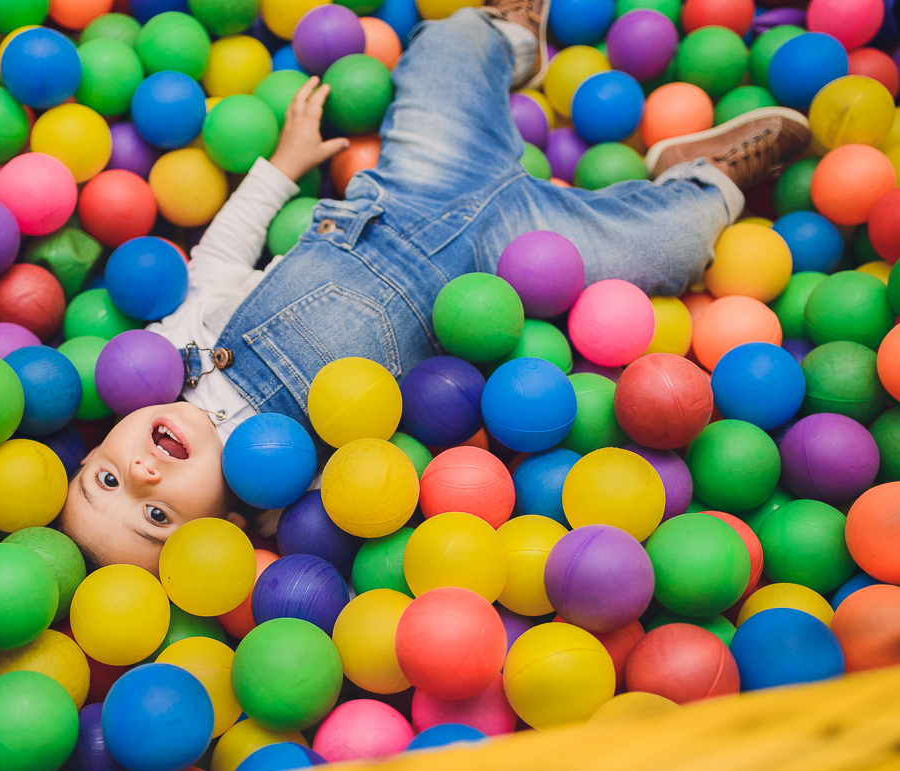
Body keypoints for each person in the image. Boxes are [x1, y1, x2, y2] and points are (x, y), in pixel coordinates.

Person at [59, 0, 811, 574]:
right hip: (511, 274)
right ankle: (704, 180)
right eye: (154, 512)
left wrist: (283, 165)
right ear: (225, 530)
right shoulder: (298, 491)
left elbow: (221, 253)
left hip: (408, 189)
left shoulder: (177, 344)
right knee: (676, 246)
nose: (143, 470)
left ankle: (510, 39)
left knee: (444, 42)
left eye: (105, 477)